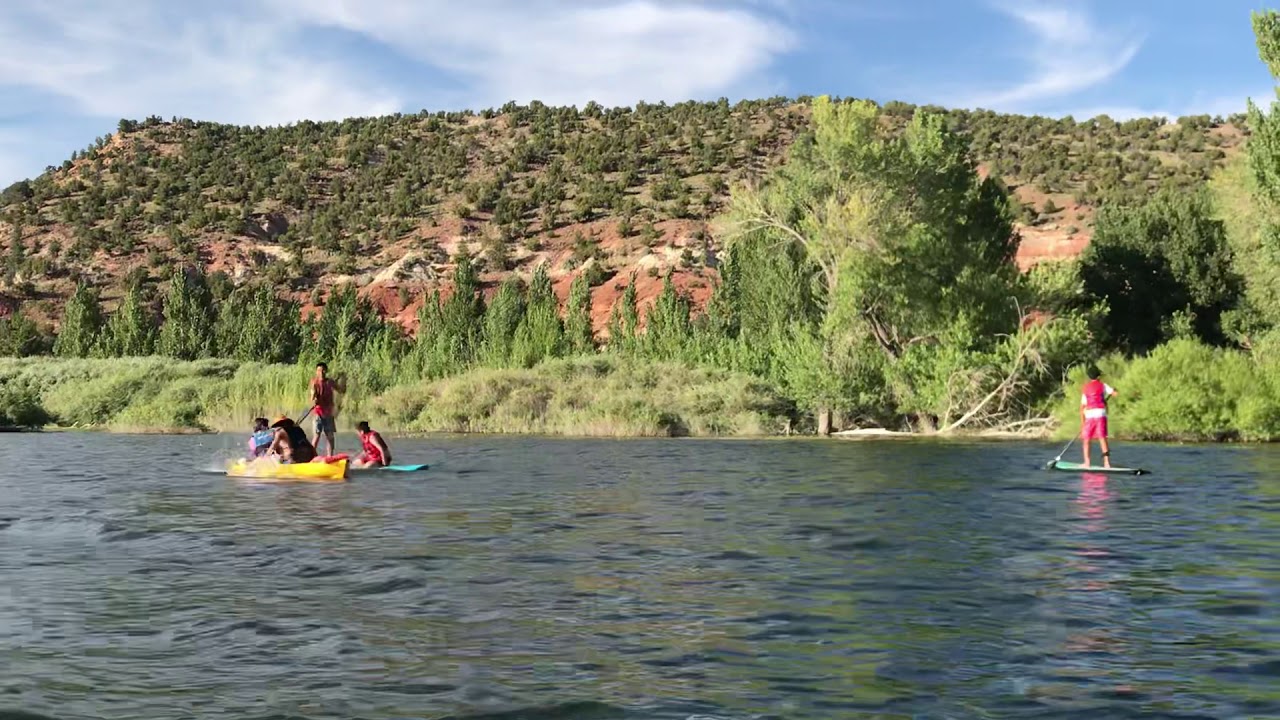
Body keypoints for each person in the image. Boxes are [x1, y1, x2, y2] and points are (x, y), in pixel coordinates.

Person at [1080, 365, 1118, 468]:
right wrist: (1113, 391)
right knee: (1102, 438)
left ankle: (1087, 463)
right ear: (1098, 376)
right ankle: (1107, 463)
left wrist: (1083, 424)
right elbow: (1115, 394)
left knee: (1086, 439)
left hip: (1089, 414)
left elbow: (1082, 407)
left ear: (1089, 377)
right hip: (1101, 413)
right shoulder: (1103, 385)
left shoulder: (1085, 388)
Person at [309, 362, 345, 456]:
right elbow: (312, 397)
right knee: (317, 435)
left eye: (323, 370)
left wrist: (343, 380)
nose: (321, 372)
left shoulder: (330, 382)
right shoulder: (314, 382)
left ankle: (330, 456)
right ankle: (311, 456)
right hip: (318, 412)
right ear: (316, 371)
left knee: (330, 437)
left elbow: (341, 391)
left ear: (326, 371)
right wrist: (314, 397)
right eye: (319, 370)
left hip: (328, 413)